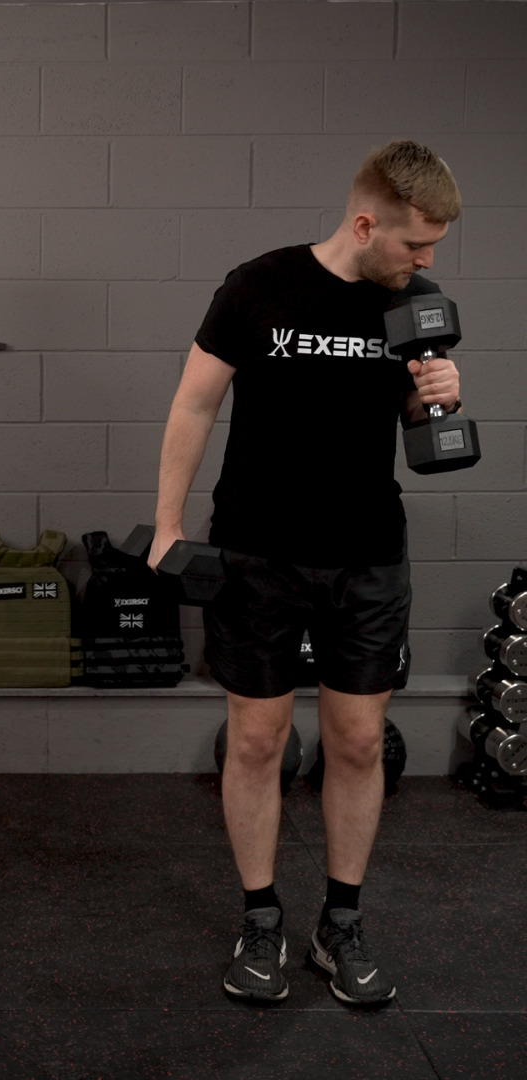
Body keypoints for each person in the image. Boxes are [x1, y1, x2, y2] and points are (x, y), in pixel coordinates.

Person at [148, 141, 463, 1006]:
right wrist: (169, 525)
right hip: (258, 552)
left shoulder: (419, 306)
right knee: (256, 741)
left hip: (366, 554)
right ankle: (259, 919)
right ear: (366, 223)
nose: (427, 261)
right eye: (414, 245)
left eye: (435, 247)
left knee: (358, 743)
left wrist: (436, 391)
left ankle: (341, 923)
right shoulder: (258, 287)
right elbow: (194, 403)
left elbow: (416, 422)